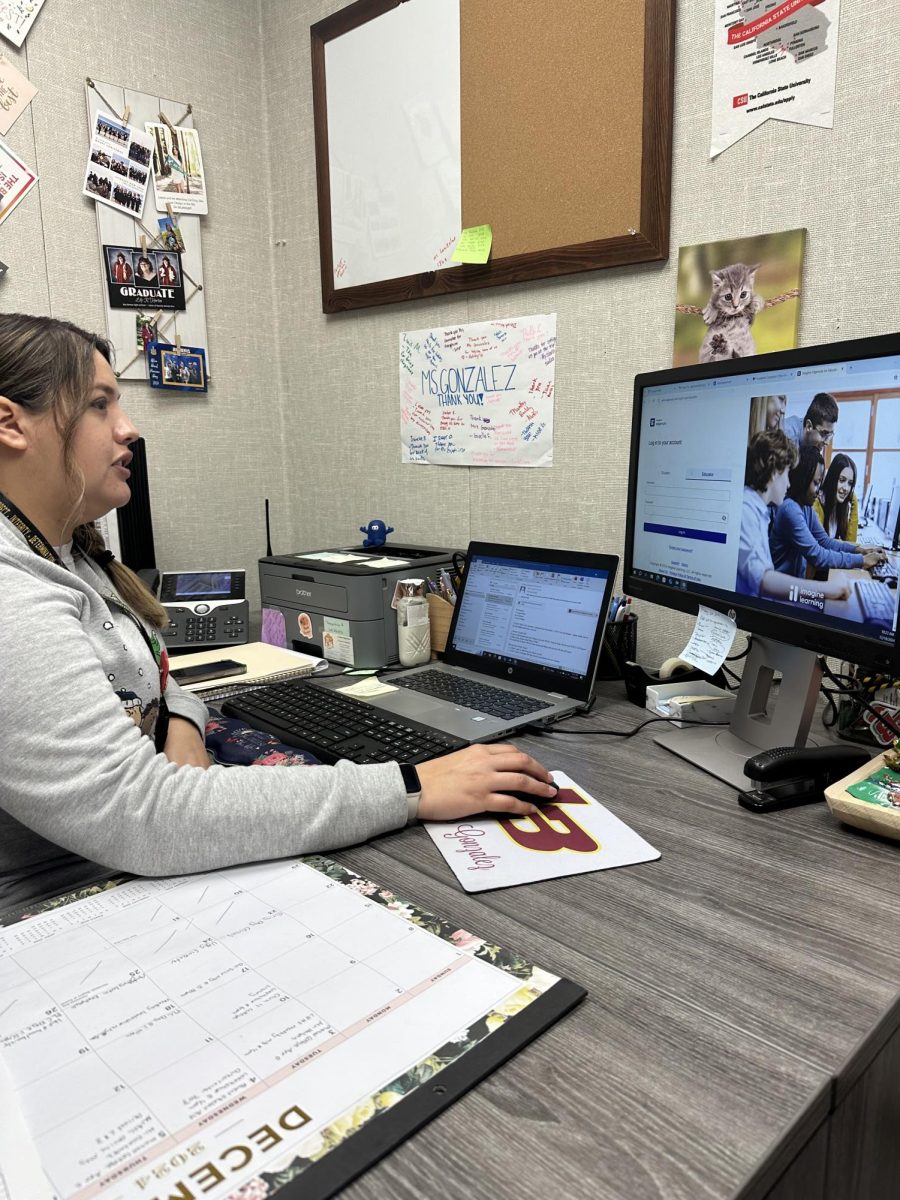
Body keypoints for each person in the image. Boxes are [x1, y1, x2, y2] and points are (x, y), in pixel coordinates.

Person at [0, 314, 556, 907]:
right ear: (10, 423)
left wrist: (181, 720)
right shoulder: (13, 591)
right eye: (99, 405)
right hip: (69, 901)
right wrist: (414, 785)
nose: (129, 429)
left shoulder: (67, 553)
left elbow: (147, 678)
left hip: (136, 865)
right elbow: (141, 815)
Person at [737, 429, 851, 602]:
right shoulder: (747, 509)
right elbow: (763, 580)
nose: (789, 483)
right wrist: (827, 590)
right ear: (775, 470)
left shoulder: (758, 509)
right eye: (787, 474)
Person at [770, 445, 884, 578]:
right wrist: (862, 561)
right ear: (803, 479)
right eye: (816, 483)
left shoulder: (805, 507)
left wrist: (860, 550)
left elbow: (825, 541)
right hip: (781, 591)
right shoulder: (790, 509)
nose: (818, 490)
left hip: (792, 585)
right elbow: (818, 556)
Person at [814, 452, 859, 542]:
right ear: (832, 479)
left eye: (850, 483)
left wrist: (854, 501)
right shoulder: (817, 503)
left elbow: (851, 543)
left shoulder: (840, 506)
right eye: (842, 480)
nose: (846, 488)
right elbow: (821, 546)